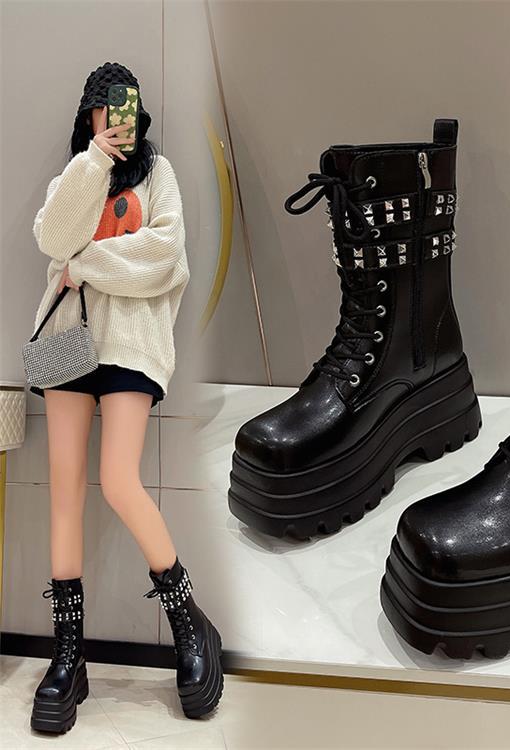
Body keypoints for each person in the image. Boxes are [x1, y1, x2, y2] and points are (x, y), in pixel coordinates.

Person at [28, 62, 222, 735]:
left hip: (132, 348)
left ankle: (188, 621)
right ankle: (68, 655)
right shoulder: (75, 176)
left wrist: (84, 266)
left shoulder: (158, 175)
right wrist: (91, 166)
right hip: (65, 340)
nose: (116, 119)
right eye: (104, 109)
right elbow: (52, 240)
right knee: (63, 492)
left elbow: (164, 259)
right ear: (89, 116)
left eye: (125, 108)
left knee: (117, 480)